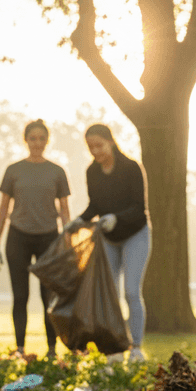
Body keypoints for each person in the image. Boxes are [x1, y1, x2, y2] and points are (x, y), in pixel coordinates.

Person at [65, 124, 150, 363]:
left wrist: (117, 218)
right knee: (109, 295)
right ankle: (115, 347)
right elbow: (95, 205)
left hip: (136, 234)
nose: (95, 151)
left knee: (131, 292)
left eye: (99, 145)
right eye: (91, 147)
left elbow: (139, 207)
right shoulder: (92, 171)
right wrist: (80, 220)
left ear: (111, 142)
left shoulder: (131, 168)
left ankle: (136, 348)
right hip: (108, 239)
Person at [0, 120, 71, 358]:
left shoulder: (57, 172)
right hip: (18, 237)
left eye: (41, 138)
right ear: (25, 140)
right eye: (32, 138)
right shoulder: (14, 170)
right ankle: (20, 348)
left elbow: (65, 209)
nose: (37, 143)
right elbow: (3, 209)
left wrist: (67, 241)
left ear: (47, 141)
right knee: (20, 296)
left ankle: (51, 349)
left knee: (49, 297)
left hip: (48, 238)